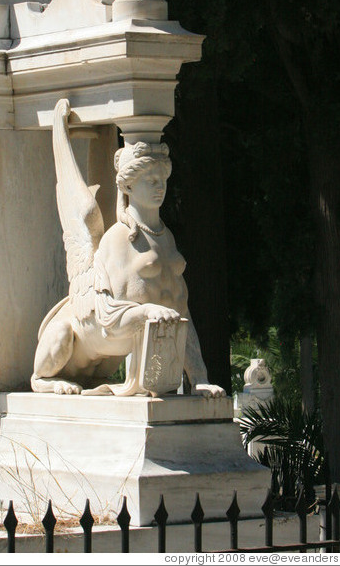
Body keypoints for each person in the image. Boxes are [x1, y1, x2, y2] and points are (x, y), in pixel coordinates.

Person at [31, 100, 225, 398]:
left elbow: (180, 312)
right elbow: (107, 315)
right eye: (149, 180)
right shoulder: (117, 239)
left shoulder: (165, 237)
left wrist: (199, 378)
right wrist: (147, 311)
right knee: (61, 335)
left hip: (103, 364)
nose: (159, 187)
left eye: (162, 179)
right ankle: (41, 380)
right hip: (73, 351)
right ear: (129, 186)